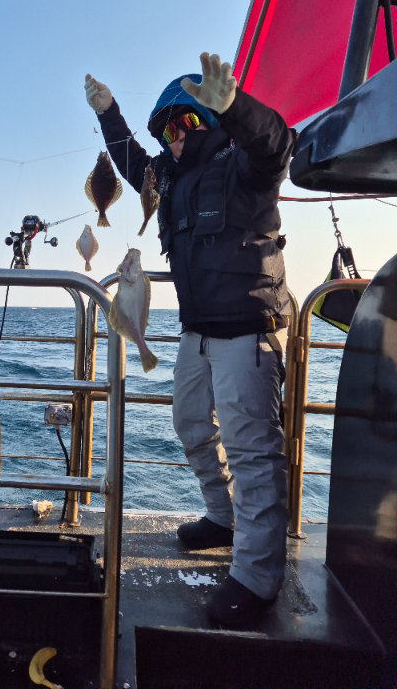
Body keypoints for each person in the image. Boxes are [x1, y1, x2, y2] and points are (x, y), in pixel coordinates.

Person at [84, 53, 295, 627]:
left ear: (206, 120)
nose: (172, 139)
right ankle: (223, 517)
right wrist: (109, 114)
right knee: (190, 424)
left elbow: (276, 146)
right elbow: (130, 163)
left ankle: (257, 576)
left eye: (181, 125)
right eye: (164, 132)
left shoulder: (242, 164)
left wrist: (236, 107)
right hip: (196, 331)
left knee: (252, 450)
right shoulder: (169, 179)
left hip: (247, 331)